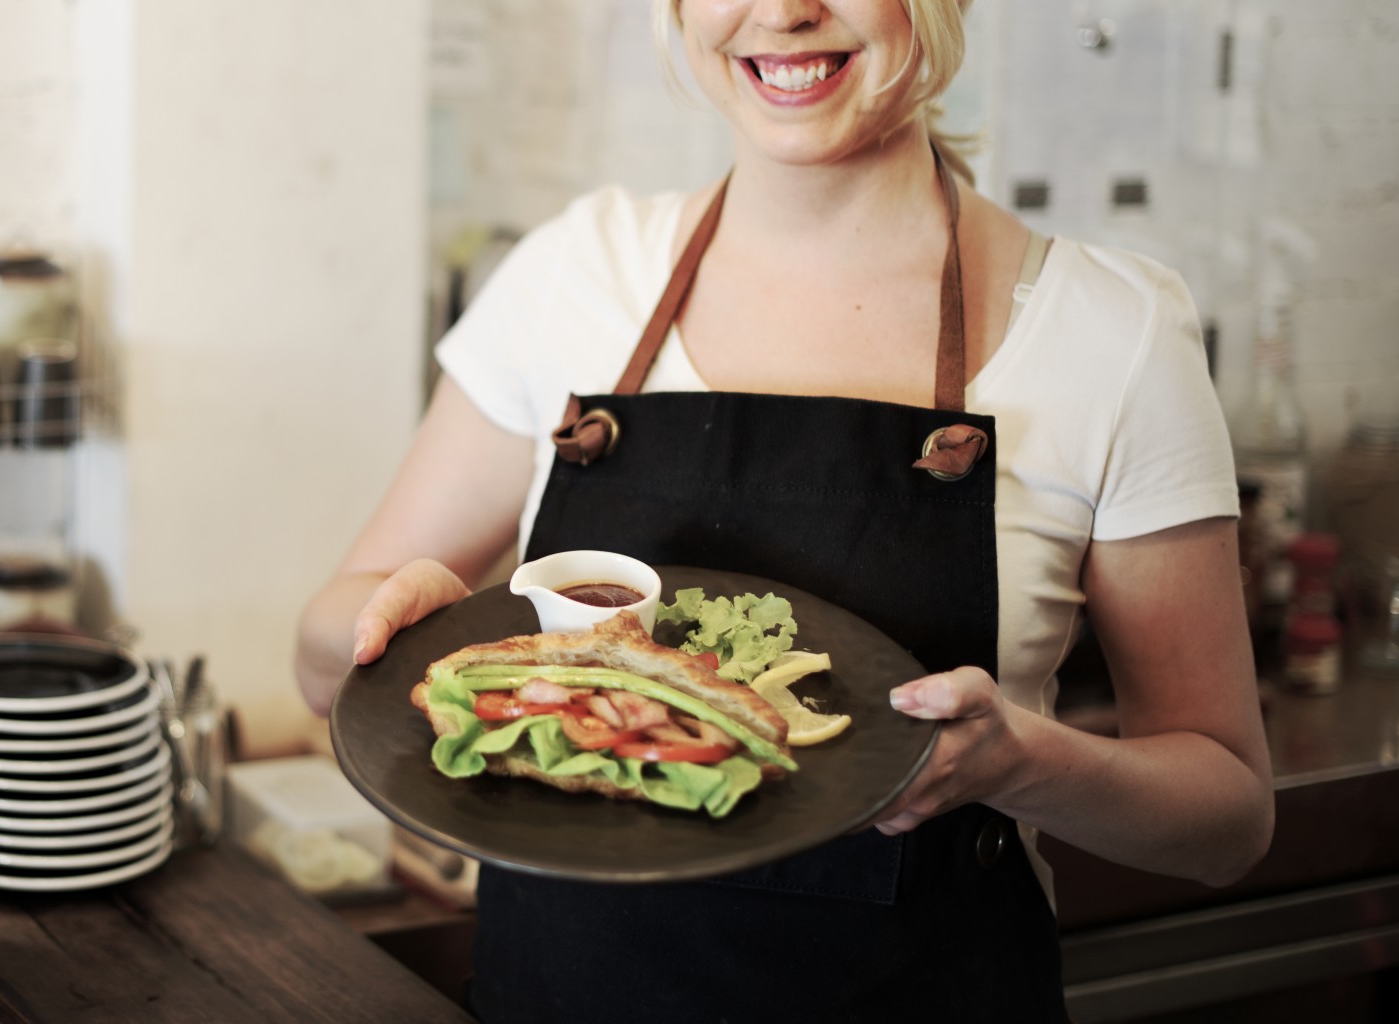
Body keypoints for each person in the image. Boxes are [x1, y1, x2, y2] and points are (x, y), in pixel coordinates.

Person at [295, 0, 1274, 1018]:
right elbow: (324, 654)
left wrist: (1022, 764)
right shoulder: (573, 275)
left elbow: (1225, 817)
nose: (787, 11)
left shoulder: (1108, 335)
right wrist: (388, 627)